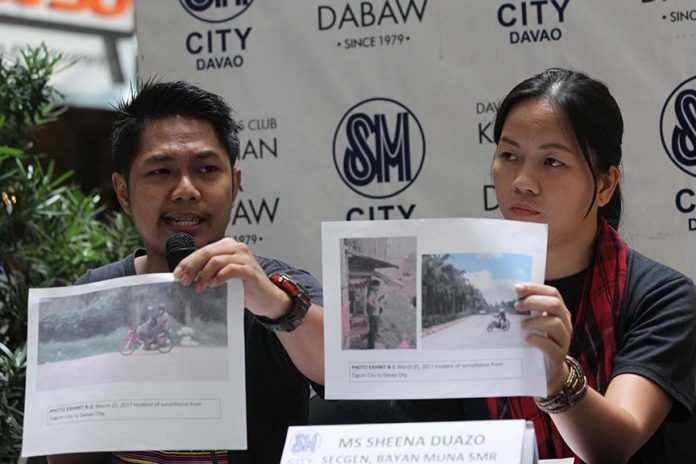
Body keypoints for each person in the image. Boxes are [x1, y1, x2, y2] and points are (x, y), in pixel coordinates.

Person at [392, 68, 696, 463]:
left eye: (552, 162)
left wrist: (555, 378)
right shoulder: (456, 286)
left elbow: (614, 445)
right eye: (509, 155)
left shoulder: (661, 298)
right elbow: (429, 442)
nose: (523, 181)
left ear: (605, 185)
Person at [47, 80, 325, 464]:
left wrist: (277, 306)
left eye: (207, 169)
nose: (185, 190)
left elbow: (343, 374)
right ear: (124, 192)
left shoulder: (277, 288)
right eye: (160, 172)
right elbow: (65, 451)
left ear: (235, 186)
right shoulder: (97, 292)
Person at [365, 279, 382, 349]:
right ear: (373, 286)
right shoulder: (372, 292)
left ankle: (371, 345)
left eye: (378, 286)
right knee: (373, 331)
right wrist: (375, 306)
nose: (378, 288)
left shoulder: (373, 292)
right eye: (377, 286)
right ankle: (371, 346)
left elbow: (372, 301)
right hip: (373, 314)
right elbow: (369, 301)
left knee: (373, 330)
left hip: (374, 314)